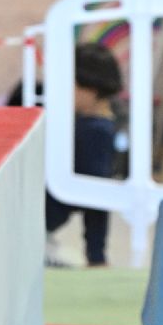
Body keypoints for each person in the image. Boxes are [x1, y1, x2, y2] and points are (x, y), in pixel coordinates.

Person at [45, 42, 123, 268]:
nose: (62, 90)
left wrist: (96, 255)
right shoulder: (86, 123)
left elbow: (97, 196)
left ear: (92, 87)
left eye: (69, 84)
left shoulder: (95, 132)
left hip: (38, 222)